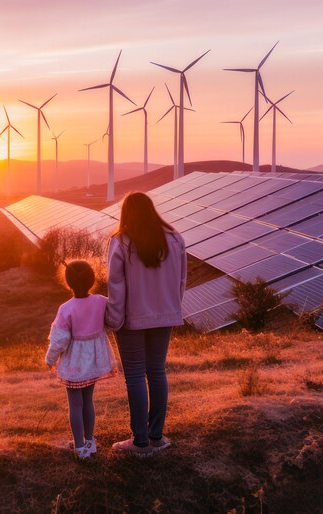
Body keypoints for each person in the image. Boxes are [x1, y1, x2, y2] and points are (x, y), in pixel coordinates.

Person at [105, 191, 187, 457]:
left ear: (126, 213)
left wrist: (113, 320)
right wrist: (172, 309)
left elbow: (116, 287)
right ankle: (157, 437)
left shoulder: (121, 242)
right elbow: (181, 281)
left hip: (132, 318)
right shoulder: (175, 239)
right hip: (165, 315)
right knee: (157, 372)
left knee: (136, 376)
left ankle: (139, 442)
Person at [45, 260, 118, 459]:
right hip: (94, 361)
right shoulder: (101, 301)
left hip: (75, 364)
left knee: (75, 405)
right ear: (92, 280)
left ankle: (79, 447)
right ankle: (89, 441)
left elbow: (60, 340)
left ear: (68, 283)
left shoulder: (66, 308)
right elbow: (111, 322)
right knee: (88, 402)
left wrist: (50, 359)